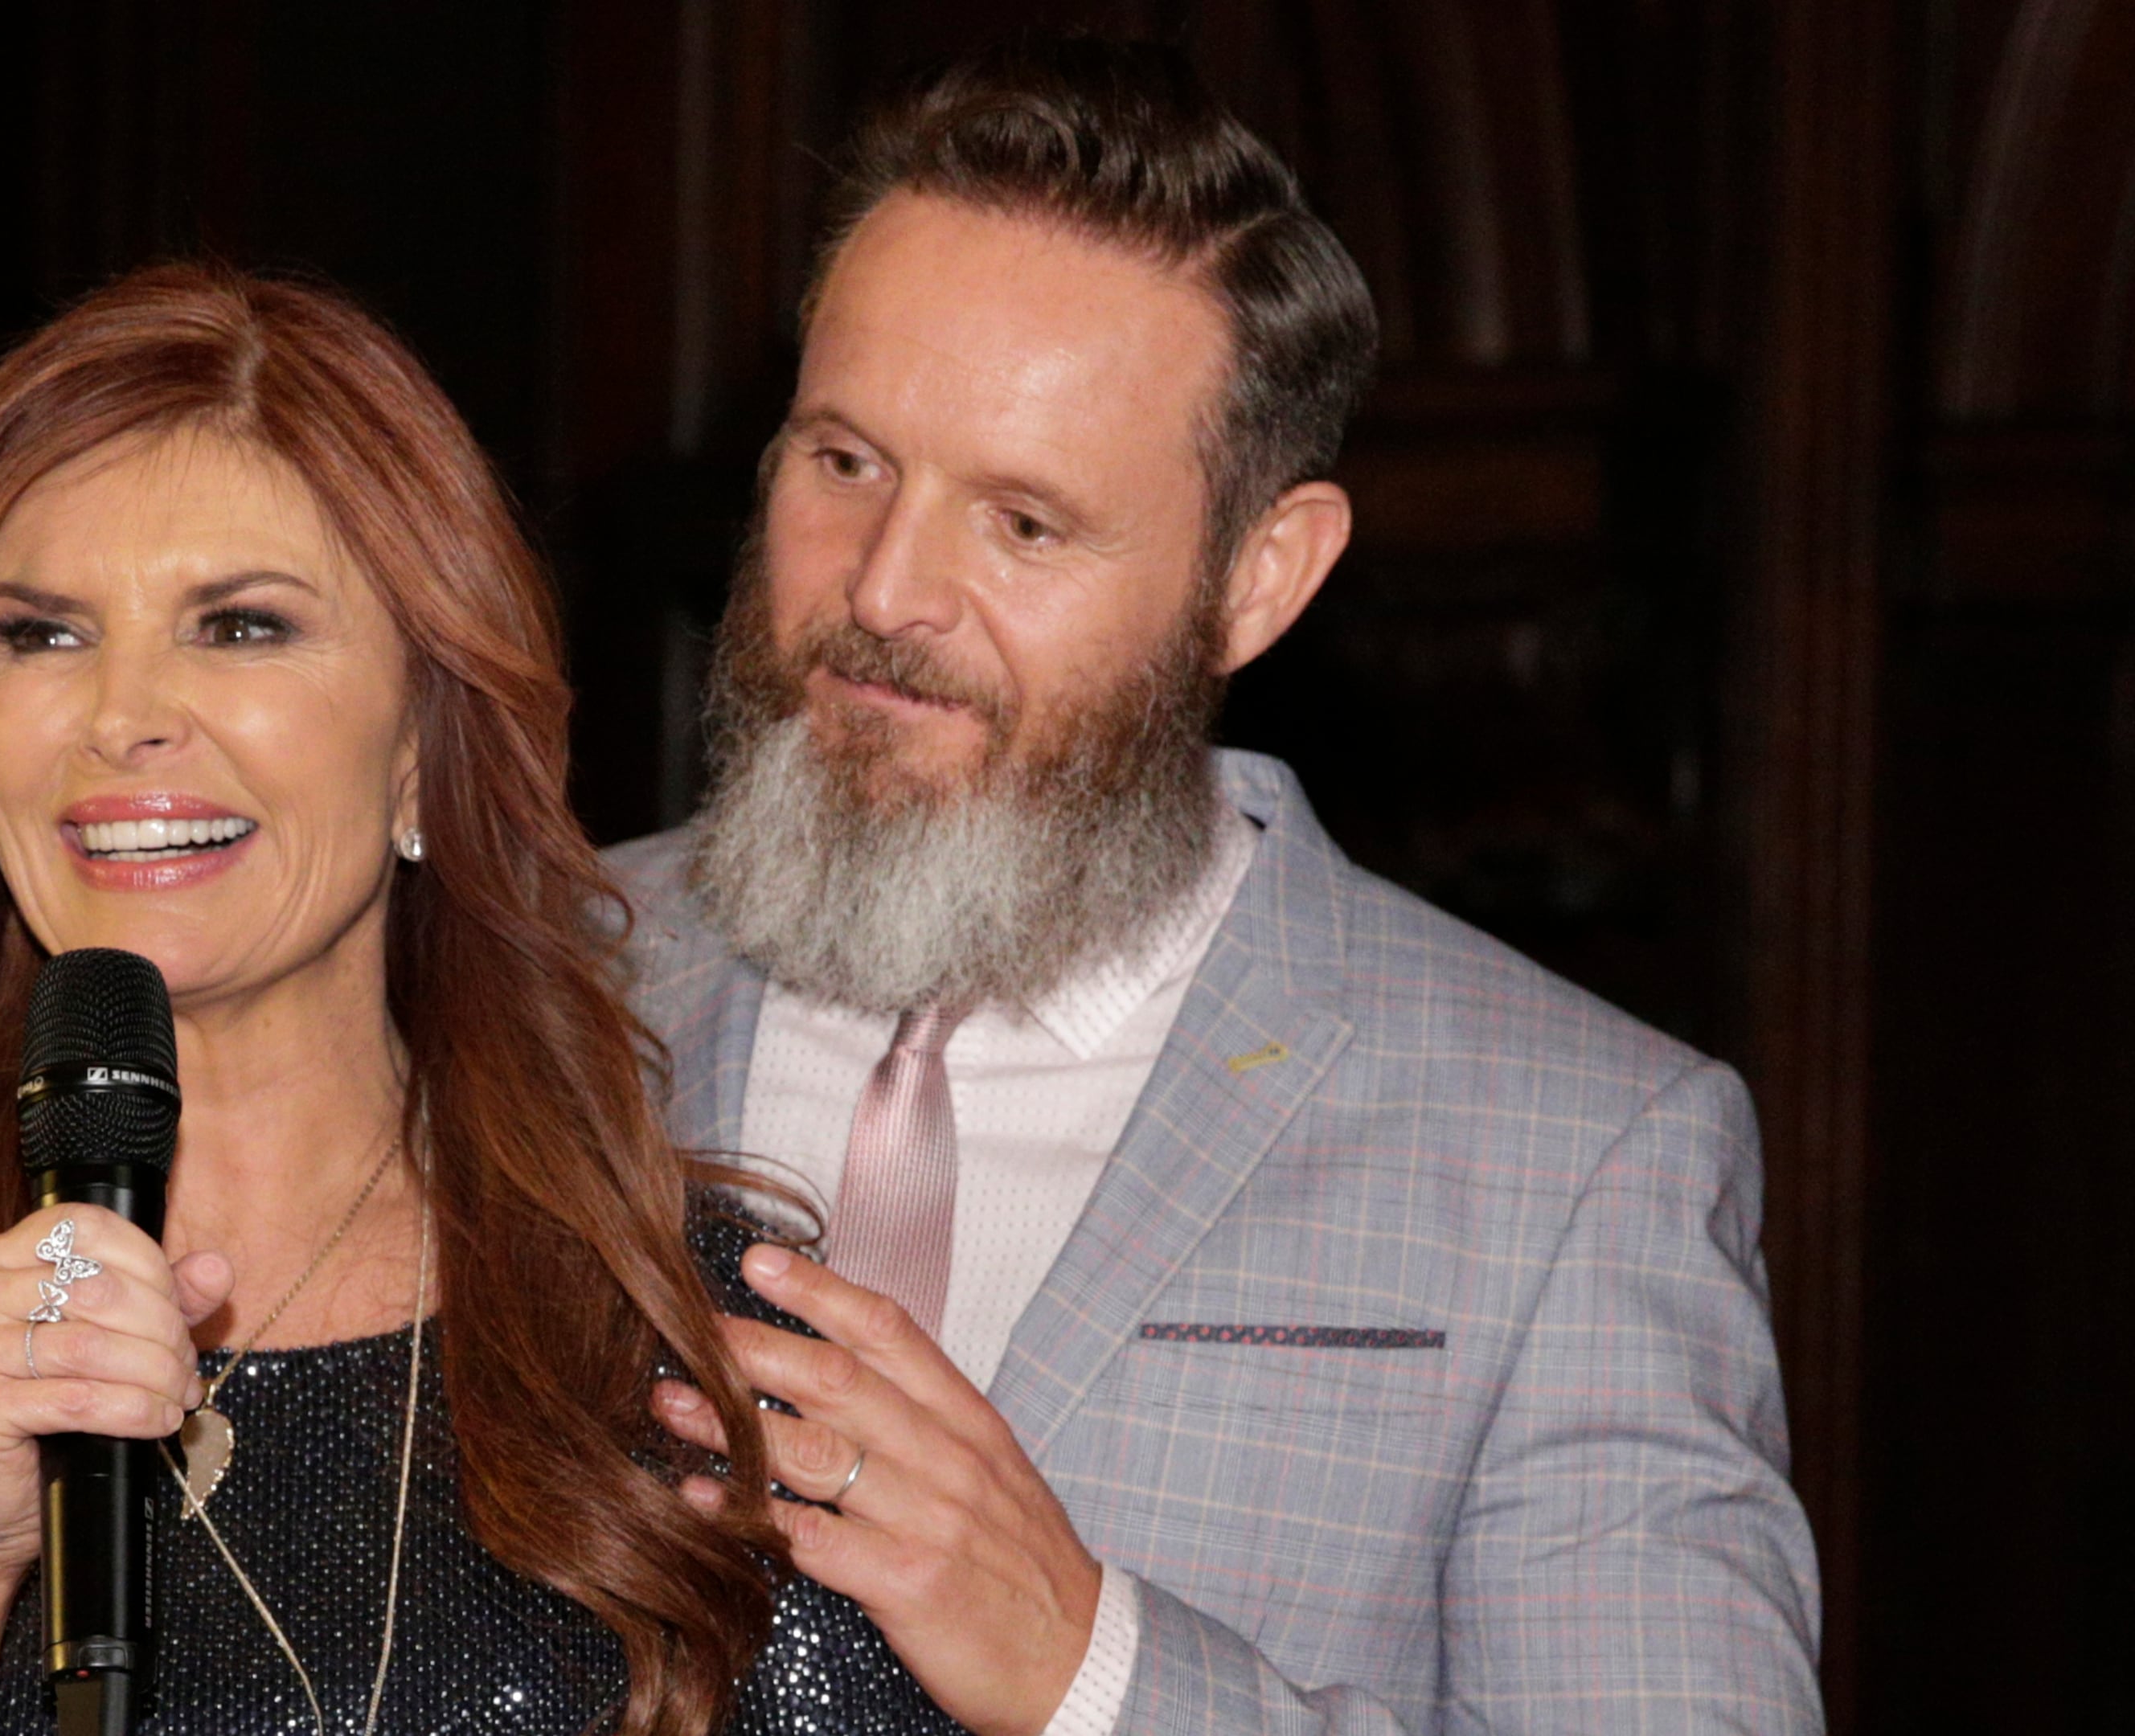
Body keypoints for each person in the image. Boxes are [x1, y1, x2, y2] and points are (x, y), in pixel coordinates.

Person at [0, 265, 969, 1736]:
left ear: (420, 748)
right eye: (41, 635)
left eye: (243, 625)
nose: (124, 712)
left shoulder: (702, 1346)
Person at [613, 39, 1826, 1735]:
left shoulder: (1576, 1154)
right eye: (843, 462)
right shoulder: (524, 970)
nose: (888, 589)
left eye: (1025, 525)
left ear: (1261, 578)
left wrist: (1088, 1662)